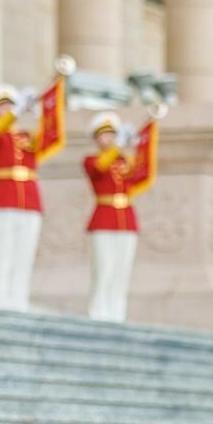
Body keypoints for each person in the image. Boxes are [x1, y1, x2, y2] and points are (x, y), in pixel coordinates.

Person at [0, 85, 43, 311]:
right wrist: (16, 111)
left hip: (29, 200)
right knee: (2, 251)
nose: (7, 110)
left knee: (24, 254)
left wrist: (40, 113)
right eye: (3, 107)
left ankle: (19, 300)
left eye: (10, 105)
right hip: (3, 198)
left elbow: (50, 139)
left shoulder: (27, 137)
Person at [83, 111, 139, 322]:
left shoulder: (126, 161)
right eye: (104, 135)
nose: (109, 139)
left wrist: (142, 143)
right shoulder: (92, 160)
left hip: (126, 220)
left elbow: (143, 173)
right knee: (103, 269)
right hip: (104, 219)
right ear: (96, 139)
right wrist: (117, 149)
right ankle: (99, 311)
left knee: (121, 271)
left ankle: (117, 312)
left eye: (112, 135)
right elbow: (99, 169)